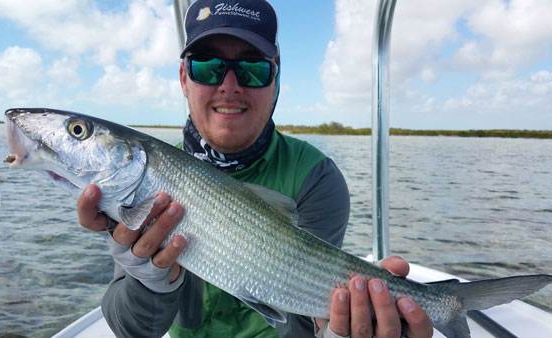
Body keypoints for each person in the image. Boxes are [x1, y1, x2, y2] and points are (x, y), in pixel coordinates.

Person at [77, 0, 433, 337]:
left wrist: (335, 329)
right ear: (184, 79)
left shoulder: (316, 176)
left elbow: (303, 318)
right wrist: (146, 281)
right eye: (207, 65)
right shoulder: (148, 176)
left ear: (275, 81)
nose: (229, 87)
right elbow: (133, 330)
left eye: (253, 69)